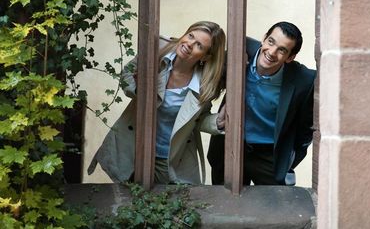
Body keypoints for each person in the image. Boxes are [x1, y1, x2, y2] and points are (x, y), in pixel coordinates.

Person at [88, 21, 226, 184]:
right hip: (135, 145)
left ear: (205, 56)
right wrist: (139, 90)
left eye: (199, 45)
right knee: (129, 199)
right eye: (190, 36)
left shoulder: (203, 85)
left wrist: (216, 122)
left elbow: (197, 119)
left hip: (168, 155)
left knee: (165, 202)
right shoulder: (158, 49)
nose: (189, 44)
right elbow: (127, 74)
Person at [208, 21, 316, 185]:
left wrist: (290, 159)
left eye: (282, 50)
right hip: (231, 147)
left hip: (269, 156)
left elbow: (306, 129)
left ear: (290, 57)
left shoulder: (304, 80)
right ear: (264, 38)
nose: (272, 52)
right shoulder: (239, 51)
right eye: (271, 42)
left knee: (274, 206)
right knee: (227, 205)